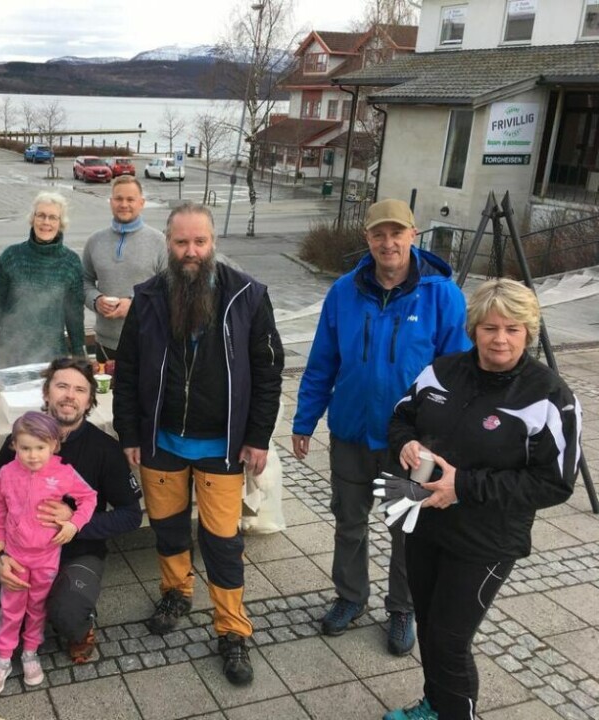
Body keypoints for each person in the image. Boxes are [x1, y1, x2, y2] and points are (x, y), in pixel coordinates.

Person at [383, 278, 581, 720]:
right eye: (490, 328)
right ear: (473, 330)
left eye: (512, 329)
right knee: (430, 628)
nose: (500, 339)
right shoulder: (441, 370)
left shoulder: (549, 396)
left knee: (450, 641)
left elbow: (555, 483)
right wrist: (405, 443)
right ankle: (435, 706)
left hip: (486, 539)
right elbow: (401, 417)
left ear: (529, 332)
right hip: (426, 526)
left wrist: (465, 486)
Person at [291, 198, 471, 657]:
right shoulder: (343, 292)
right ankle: (351, 596)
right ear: (367, 239)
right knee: (349, 522)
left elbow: (457, 375)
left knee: (406, 527)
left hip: (413, 443)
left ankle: (403, 607)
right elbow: (323, 361)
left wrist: (446, 439)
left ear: (413, 235)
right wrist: (305, 420)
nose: (388, 243)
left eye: (396, 233)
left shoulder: (442, 295)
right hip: (351, 432)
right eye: (378, 234)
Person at [113, 202, 283, 686]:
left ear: (212, 244)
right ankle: (177, 592)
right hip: (161, 441)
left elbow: (268, 372)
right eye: (182, 242)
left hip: (221, 446)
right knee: (168, 529)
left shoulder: (248, 295)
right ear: (168, 244)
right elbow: (127, 371)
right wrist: (129, 433)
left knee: (223, 542)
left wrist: (257, 437)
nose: (191, 251)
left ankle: (232, 628)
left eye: (199, 242)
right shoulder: (149, 296)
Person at [0, 356, 143, 666]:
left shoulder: (104, 448)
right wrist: (0, 555)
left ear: (90, 400)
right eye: (62, 386)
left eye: (80, 390)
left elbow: (131, 514)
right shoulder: (21, 442)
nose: (69, 396)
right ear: (46, 392)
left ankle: (78, 619)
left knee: (67, 614)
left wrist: (75, 523)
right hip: (22, 553)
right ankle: (30, 607)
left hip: (78, 551)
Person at [0, 411, 98, 695]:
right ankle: (3, 657)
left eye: (40, 447)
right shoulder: (7, 473)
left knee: (37, 606)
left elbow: (89, 497)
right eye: (25, 448)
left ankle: (30, 652)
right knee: (11, 607)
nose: (33, 455)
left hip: (47, 556)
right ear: (14, 446)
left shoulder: (64, 473)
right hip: (15, 555)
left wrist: (74, 523)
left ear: (54, 446)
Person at [0, 191, 85, 367]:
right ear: (32, 218)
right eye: (41, 215)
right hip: (10, 353)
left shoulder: (71, 262)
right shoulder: (11, 256)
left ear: (60, 223)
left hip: (52, 354)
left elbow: (74, 315)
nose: (46, 222)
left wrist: (80, 357)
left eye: (53, 217)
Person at [82, 176, 166, 361]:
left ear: (141, 203)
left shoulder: (159, 242)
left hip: (148, 343)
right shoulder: (95, 241)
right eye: (118, 199)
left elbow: (169, 291)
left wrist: (136, 305)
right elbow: (84, 281)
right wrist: (96, 300)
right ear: (111, 201)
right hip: (105, 344)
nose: (124, 204)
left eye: (130, 199)